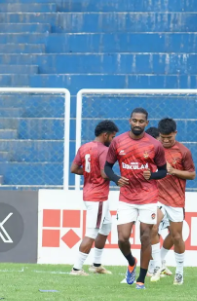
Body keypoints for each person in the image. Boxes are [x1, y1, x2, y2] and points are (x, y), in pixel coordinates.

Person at [104, 108, 167, 289]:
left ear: (146, 123)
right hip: (127, 197)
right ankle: (131, 262)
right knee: (122, 238)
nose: (137, 124)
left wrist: (152, 175)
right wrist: (116, 178)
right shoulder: (118, 141)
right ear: (129, 121)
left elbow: (163, 171)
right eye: (135, 120)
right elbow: (107, 167)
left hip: (148, 197)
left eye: (141, 121)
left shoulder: (155, 145)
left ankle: (141, 279)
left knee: (145, 236)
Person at [69, 120, 119, 276]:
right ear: (105, 135)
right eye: (112, 137)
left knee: (106, 226)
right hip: (98, 196)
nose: (113, 140)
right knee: (92, 232)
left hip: (89, 193)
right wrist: (119, 178)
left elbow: (74, 169)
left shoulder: (84, 147)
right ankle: (76, 268)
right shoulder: (104, 150)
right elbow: (105, 173)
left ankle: (96, 264)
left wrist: (90, 173)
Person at [149, 118, 195, 285]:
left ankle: (179, 272)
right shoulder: (153, 149)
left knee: (176, 236)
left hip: (175, 199)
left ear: (175, 133)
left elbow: (192, 174)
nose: (166, 141)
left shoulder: (183, 152)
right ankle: (156, 265)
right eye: (163, 138)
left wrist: (173, 170)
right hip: (157, 197)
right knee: (152, 227)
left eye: (169, 138)